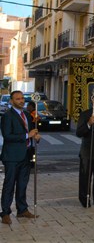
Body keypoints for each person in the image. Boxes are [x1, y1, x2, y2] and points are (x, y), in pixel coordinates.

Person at [1, 90, 40, 224]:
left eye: (22, 98)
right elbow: (7, 136)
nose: (21, 101)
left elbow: (31, 132)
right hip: (12, 156)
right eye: (18, 99)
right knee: (9, 185)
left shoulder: (28, 116)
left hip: (26, 155)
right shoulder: (7, 116)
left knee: (23, 185)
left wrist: (35, 136)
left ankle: (22, 209)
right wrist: (26, 136)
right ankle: (5, 213)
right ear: (11, 101)